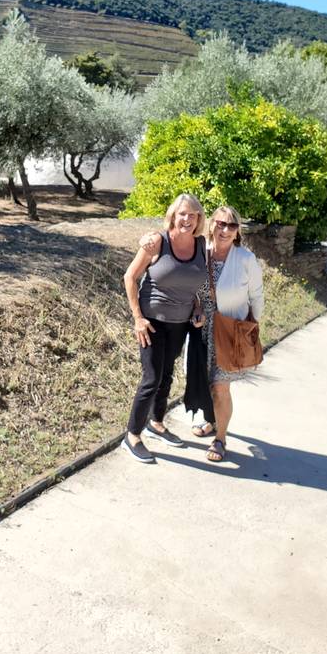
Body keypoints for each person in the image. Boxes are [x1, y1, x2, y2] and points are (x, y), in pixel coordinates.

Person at [122, 194, 207, 463]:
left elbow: (192, 284)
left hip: (180, 323)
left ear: (198, 218)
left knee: (167, 375)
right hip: (152, 322)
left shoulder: (201, 245)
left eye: (192, 214)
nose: (187, 219)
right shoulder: (158, 241)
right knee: (152, 378)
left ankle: (156, 423)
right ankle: (132, 435)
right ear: (173, 215)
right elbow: (130, 276)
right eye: (182, 214)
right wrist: (138, 318)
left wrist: (197, 307)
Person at [192, 205, 264, 462]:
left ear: (237, 231)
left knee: (221, 387)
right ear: (211, 224)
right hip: (201, 330)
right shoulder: (200, 252)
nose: (225, 230)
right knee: (205, 383)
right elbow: (191, 287)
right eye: (220, 223)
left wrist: (251, 330)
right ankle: (212, 421)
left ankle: (220, 438)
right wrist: (197, 309)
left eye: (231, 225)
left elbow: (257, 296)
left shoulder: (245, 258)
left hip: (231, 332)